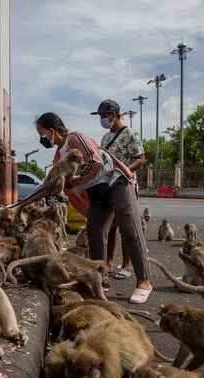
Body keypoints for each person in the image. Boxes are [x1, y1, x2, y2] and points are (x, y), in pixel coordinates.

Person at [34, 112, 152, 304]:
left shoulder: (76, 138)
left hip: (116, 181)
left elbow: (96, 162)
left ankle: (143, 281)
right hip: (97, 192)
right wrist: (20, 206)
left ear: (52, 131)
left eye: (42, 134)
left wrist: (76, 182)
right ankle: (99, 279)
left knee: (130, 229)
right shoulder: (58, 157)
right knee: (95, 231)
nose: (42, 139)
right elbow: (49, 185)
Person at [90, 100, 146, 280]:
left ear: (113, 115)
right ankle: (109, 263)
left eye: (103, 116)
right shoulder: (105, 138)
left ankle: (127, 266)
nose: (102, 120)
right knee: (110, 227)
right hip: (108, 184)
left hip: (123, 183)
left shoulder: (130, 134)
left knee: (127, 227)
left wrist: (124, 170)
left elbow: (140, 158)